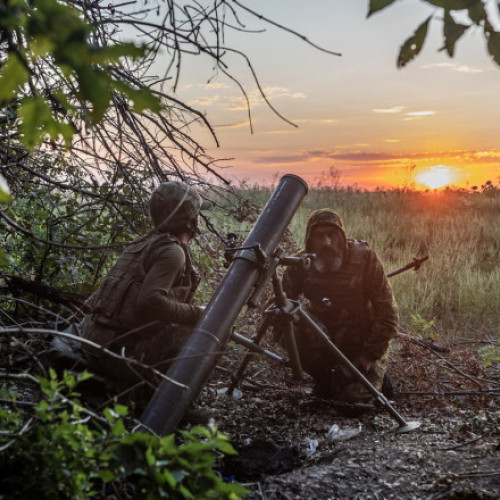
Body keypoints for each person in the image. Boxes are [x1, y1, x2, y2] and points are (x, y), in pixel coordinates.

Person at [51, 181, 210, 409]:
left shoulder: (145, 243)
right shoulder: (172, 253)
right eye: (196, 215)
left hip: (97, 340)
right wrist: (199, 314)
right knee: (210, 331)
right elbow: (150, 301)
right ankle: (175, 408)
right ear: (189, 221)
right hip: (117, 353)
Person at [281, 208, 399, 404]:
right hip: (326, 341)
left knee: (354, 402)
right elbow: (280, 304)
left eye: (332, 235)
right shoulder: (301, 264)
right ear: (310, 240)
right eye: (320, 236)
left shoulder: (365, 259)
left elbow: (388, 315)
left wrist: (365, 361)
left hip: (363, 343)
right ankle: (326, 377)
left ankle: (371, 376)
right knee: (288, 326)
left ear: (342, 237)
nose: (327, 242)